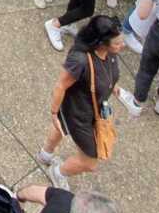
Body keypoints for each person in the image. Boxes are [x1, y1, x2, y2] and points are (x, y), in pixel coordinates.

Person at [37, 16, 125, 190]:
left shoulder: (111, 53)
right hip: (78, 114)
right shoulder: (81, 60)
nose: (122, 46)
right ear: (101, 43)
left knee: (61, 126)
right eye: (116, 43)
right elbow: (61, 85)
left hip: (91, 107)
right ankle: (59, 172)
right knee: (90, 161)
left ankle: (45, 155)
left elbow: (106, 72)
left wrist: (112, 85)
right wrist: (54, 112)